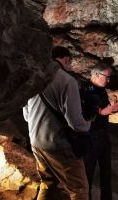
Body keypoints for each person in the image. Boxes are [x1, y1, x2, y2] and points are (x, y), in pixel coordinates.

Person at [23, 46, 91, 200]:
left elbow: (26, 115)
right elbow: (75, 122)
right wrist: (87, 124)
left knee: (48, 183)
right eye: (70, 63)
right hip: (58, 145)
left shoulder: (35, 77)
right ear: (66, 59)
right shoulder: (67, 81)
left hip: (36, 142)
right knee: (79, 189)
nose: (69, 67)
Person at [83, 64, 118, 200]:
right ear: (96, 75)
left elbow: (104, 110)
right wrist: (102, 111)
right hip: (90, 137)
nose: (108, 80)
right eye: (107, 77)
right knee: (88, 172)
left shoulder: (102, 91)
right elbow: (83, 112)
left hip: (103, 136)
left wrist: (112, 109)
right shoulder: (84, 90)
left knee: (106, 172)